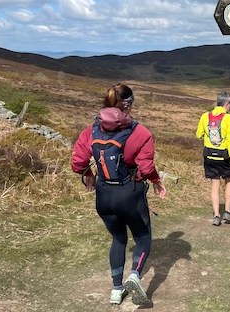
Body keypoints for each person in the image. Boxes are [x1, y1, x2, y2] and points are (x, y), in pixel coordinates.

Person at [71, 83, 166, 306]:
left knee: (118, 238)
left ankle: (116, 290)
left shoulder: (92, 130)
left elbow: (78, 161)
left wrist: (88, 174)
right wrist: (156, 181)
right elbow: (146, 166)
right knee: (142, 237)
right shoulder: (139, 132)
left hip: (104, 196)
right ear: (129, 104)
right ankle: (134, 275)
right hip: (130, 194)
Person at [196, 91, 230, 226]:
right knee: (229, 181)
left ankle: (216, 215)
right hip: (224, 155)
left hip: (209, 154)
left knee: (215, 184)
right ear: (227, 104)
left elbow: (198, 135)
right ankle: (227, 211)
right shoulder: (229, 119)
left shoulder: (205, 116)